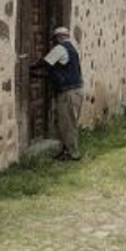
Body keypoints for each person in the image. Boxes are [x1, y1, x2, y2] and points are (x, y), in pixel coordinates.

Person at [32, 26, 84, 161]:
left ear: (59, 37)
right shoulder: (72, 50)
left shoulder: (60, 48)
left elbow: (45, 63)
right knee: (65, 122)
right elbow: (59, 71)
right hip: (75, 90)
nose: (52, 42)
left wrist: (30, 66)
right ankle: (65, 150)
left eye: (54, 38)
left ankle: (73, 153)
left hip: (68, 92)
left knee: (67, 123)